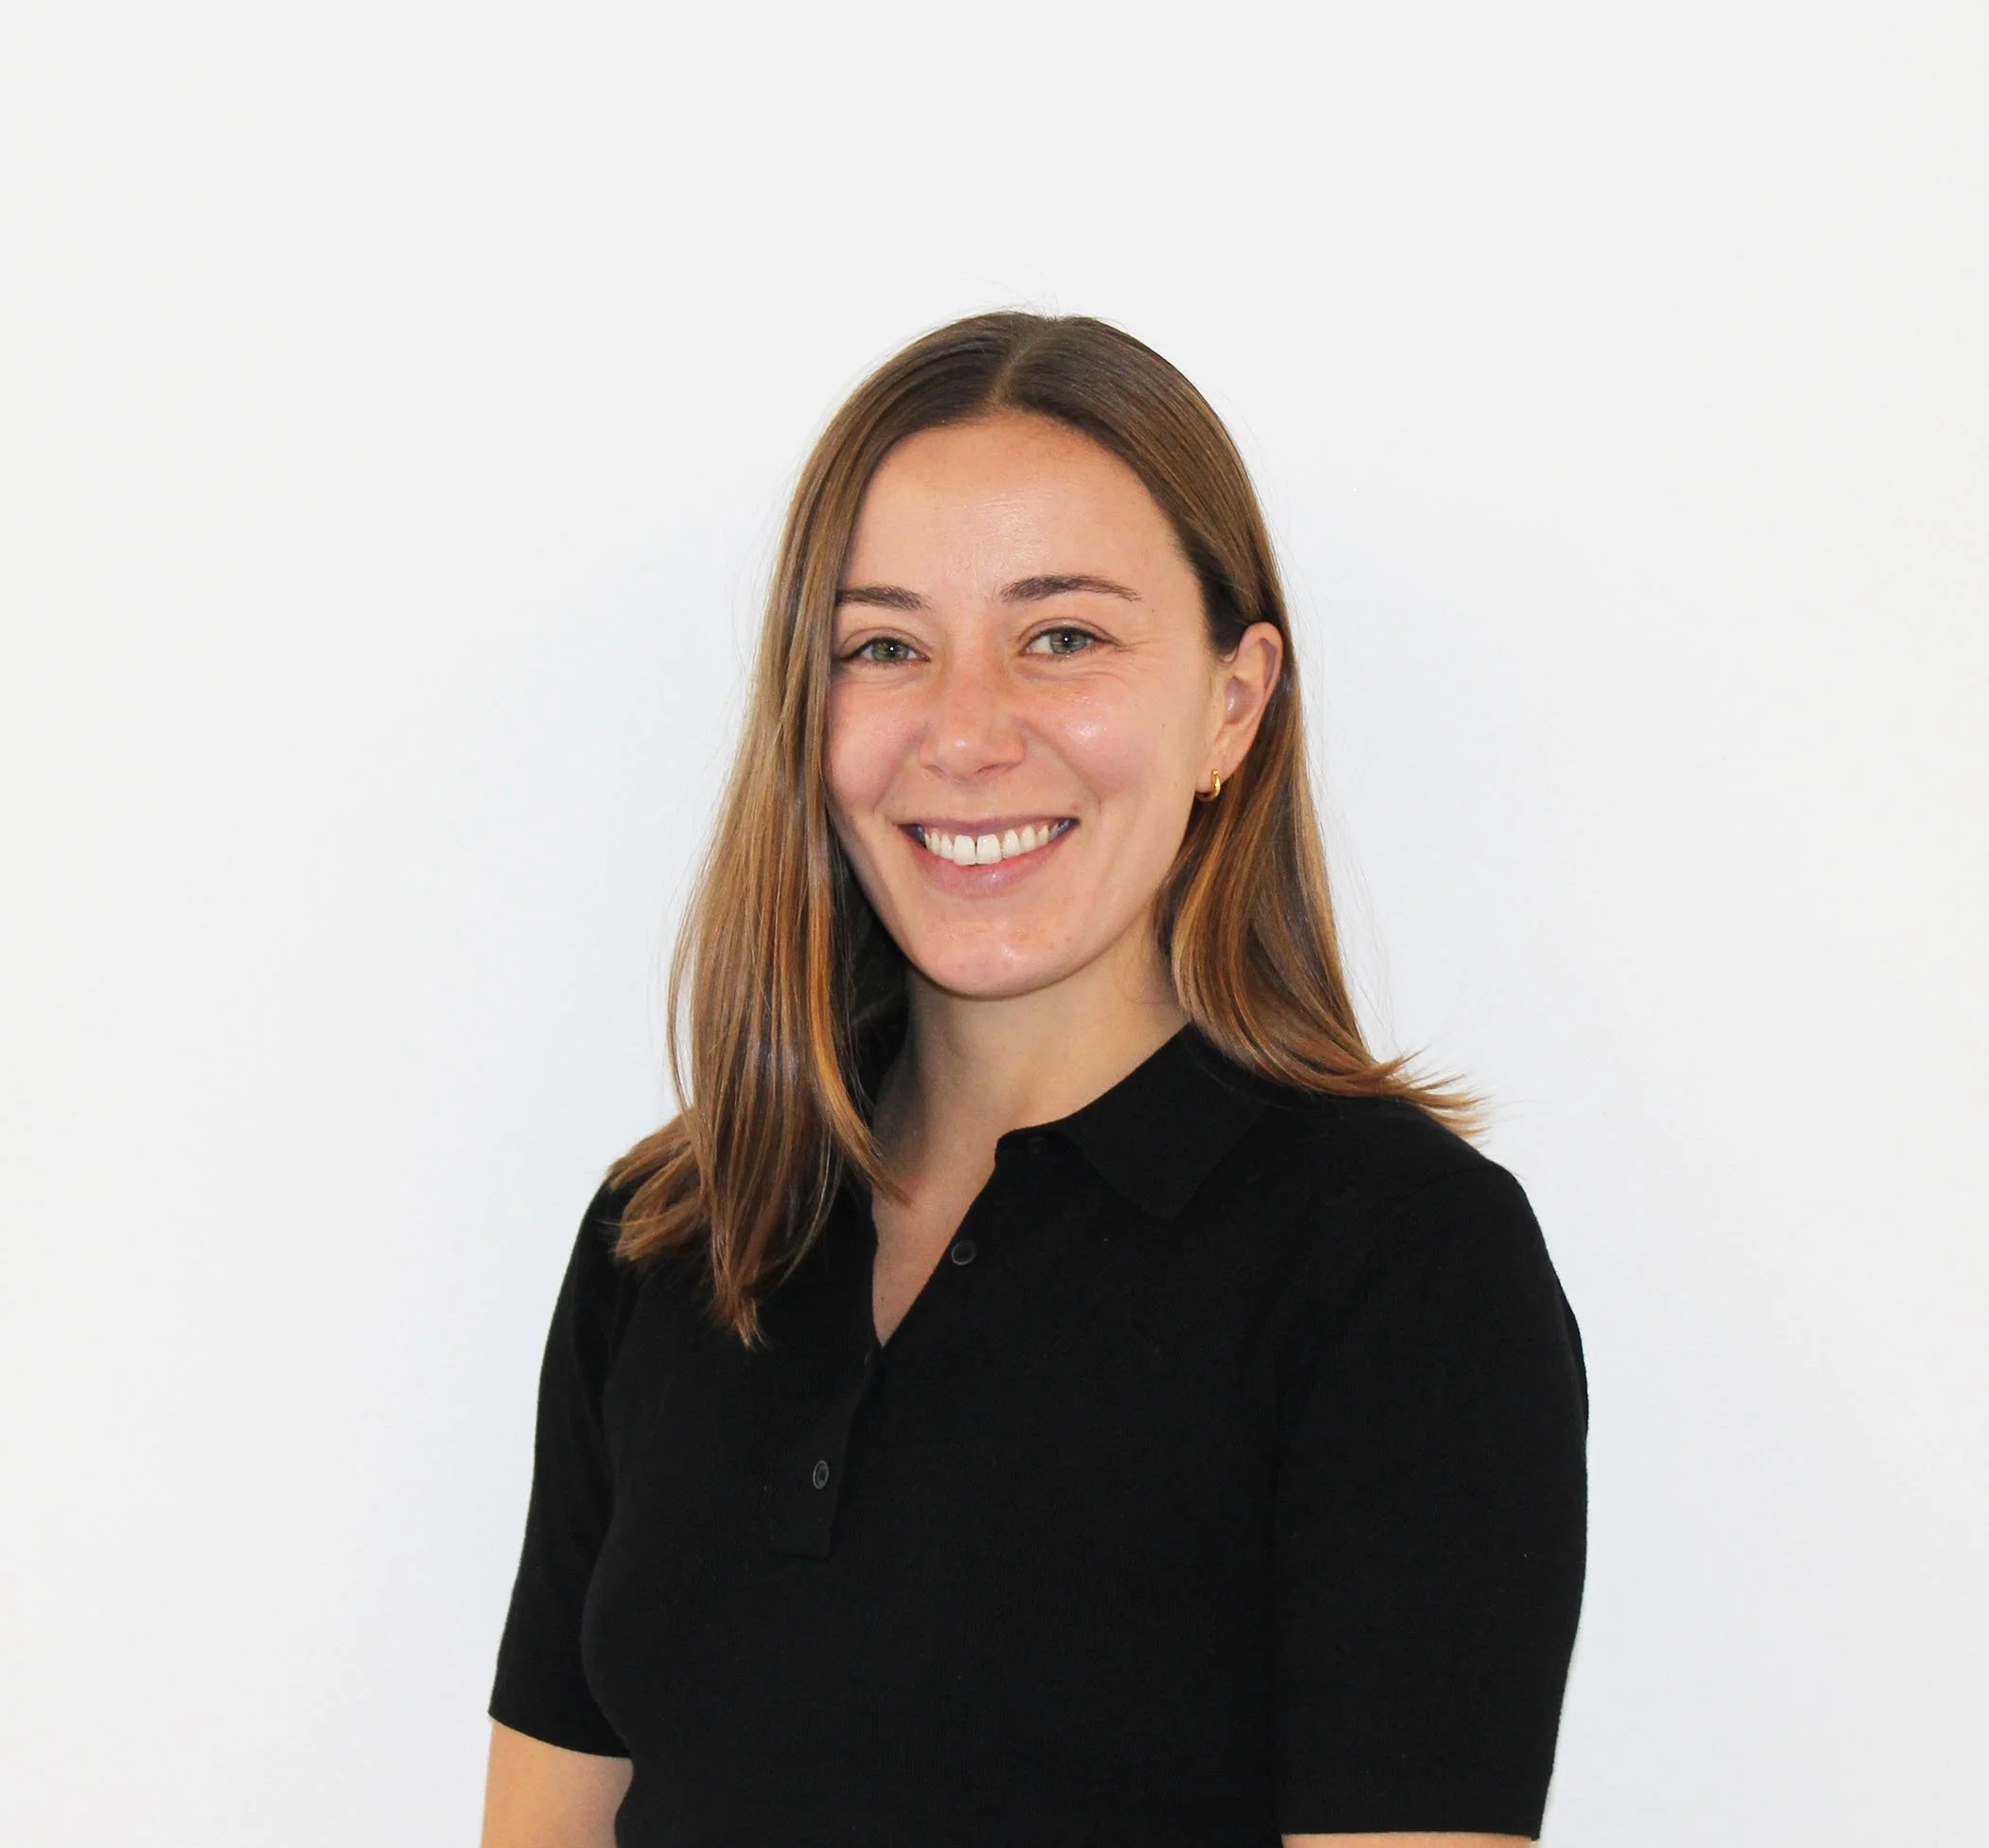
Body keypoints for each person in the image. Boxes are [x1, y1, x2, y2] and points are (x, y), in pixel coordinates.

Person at [478, 313, 1589, 1848]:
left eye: (1062, 635)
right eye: (886, 648)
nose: (966, 732)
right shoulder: (670, 1232)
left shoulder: (1399, 1264)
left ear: (1232, 704)